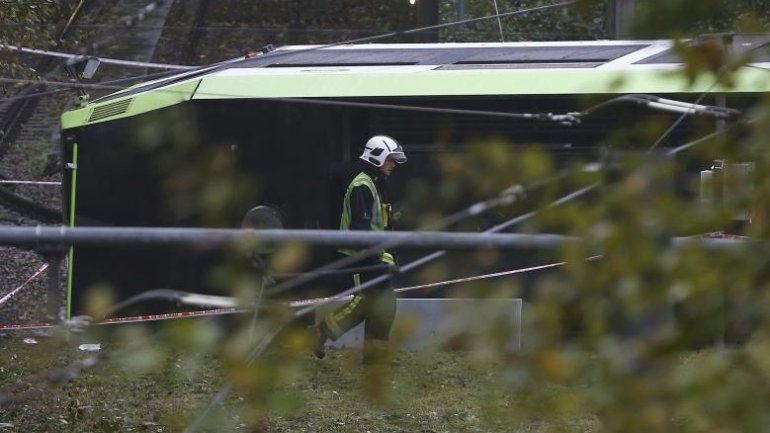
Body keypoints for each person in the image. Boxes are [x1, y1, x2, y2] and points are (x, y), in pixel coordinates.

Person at [311, 134, 407, 364]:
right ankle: (321, 332)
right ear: (377, 157)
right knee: (366, 303)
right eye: (390, 160)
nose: (393, 165)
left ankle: (374, 355)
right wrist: (380, 260)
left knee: (383, 304)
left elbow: (381, 226)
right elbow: (361, 229)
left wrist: (389, 256)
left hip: (372, 256)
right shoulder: (361, 186)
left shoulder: (375, 184)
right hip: (359, 258)